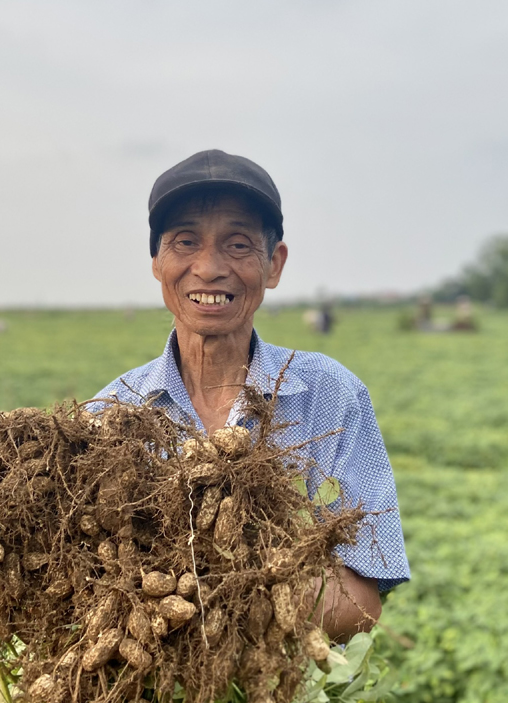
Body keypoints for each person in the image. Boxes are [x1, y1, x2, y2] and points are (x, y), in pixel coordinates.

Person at [93, 150, 409, 642]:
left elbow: (361, 602)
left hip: (280, 696)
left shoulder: (330, 395)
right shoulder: (108, 414)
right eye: (185, 242)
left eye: (238, 245)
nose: (209, 268)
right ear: (157, 262)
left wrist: (225, 589)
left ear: (274, 264)